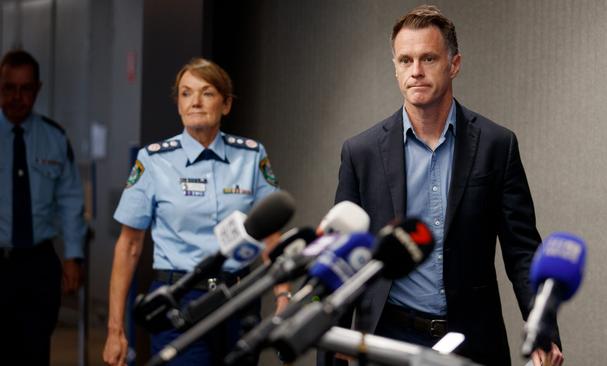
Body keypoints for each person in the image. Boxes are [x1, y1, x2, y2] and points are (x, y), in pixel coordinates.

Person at [334, 5, 562, 366]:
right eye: (405, 60)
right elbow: (343, 253)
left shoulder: (496, 145)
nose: (416, 72)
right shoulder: (361, 152)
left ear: (454, 64)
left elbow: (522, 252)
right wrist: (334, 341)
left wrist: (542, 329)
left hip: (472, 338)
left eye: (428, 58)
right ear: (395, 69)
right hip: (385, 337)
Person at [102, 58, 284, 366]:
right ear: (178, 104)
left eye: (207, 93)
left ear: (226, 104)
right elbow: (129, 246)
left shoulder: (252, 156)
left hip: (239, 298)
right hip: (179, 300)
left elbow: (270, 235)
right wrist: (115, 328)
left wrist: (283, 298)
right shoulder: (154, 160)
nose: (195, 102)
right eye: (186, 93)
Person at [0, 49, 86, 365]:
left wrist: (74, 257)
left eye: (25, 89)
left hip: (37, 266)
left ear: (37, 89)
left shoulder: (54, 138)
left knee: (35, 351)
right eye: (9, 88)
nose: (17, 97)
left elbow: (70, 200)